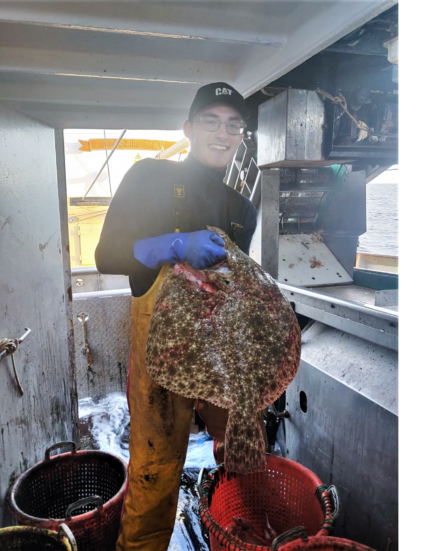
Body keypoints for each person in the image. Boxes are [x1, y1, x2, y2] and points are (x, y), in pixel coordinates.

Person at [95, 82, 258, 551]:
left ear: (240, 135)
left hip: (221, 346)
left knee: (241, 450)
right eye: (211, 121)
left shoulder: (242, 208)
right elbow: (106, 255)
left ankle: (239, 532)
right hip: (160, 349)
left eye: (233, 125)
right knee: (155, 471)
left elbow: (237, 287)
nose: (223, 133)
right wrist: (172, 244)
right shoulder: (148, 176)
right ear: (188, 128)